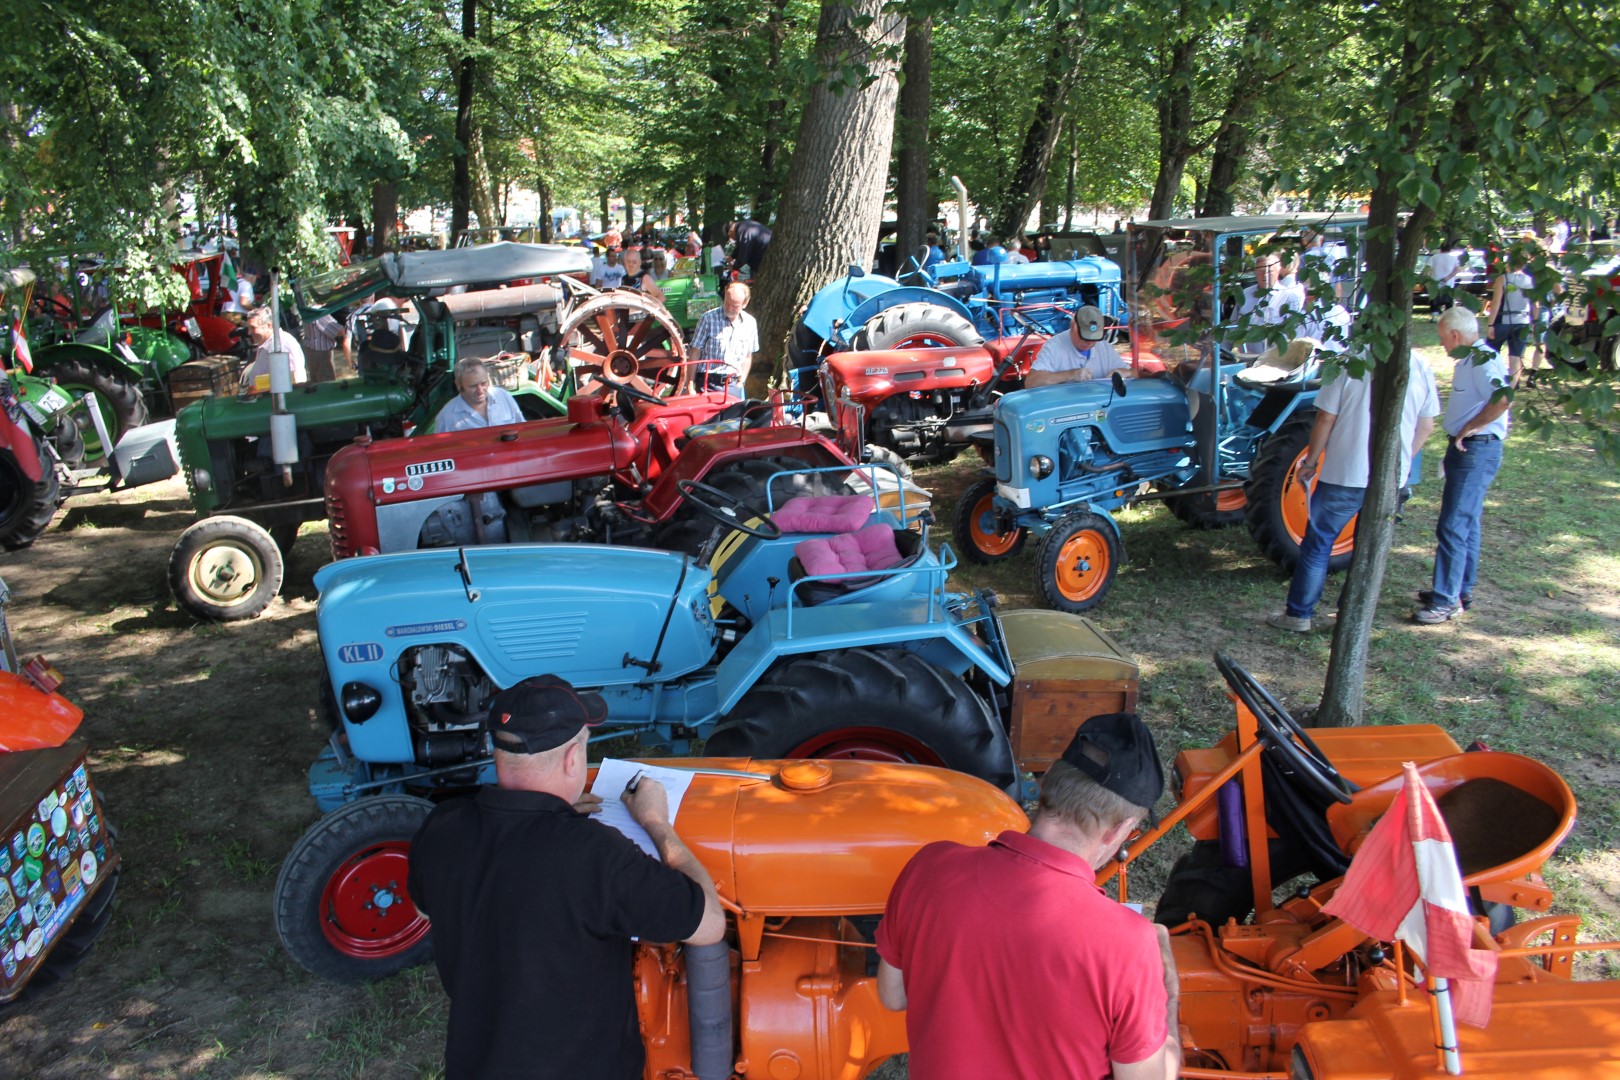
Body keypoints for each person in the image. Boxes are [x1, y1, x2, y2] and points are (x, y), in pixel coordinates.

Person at [409, 675, 725, 1080]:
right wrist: (656, 823)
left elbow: (425, 908)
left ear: (497, 751)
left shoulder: (441, 827)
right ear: (573, 759)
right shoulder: (596, 854)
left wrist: (544, 816)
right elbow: (710, 925)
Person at [875, 714, 1180, 1080]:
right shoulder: (1131, 945)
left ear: (1048, 786)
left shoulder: (929, 867)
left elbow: (893, 996)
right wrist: (1170, 1004)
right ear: (1119, 830)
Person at [1266, 348, 1440, 632]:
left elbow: (1324, 418)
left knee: (1318, 545)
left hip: (1344, 474)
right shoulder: (1419, 364)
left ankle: (1298, 614)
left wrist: (1309, 462)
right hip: (1388, 478)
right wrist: (1402, 462)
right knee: (1368, 549)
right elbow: (1427, 424)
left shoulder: (1348, 362)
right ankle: (1351, 618)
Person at [1413, 306, 1511, 624]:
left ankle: (1446, 600)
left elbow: (1502, 399)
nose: (1442, 345)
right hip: (1465, 448)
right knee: (1467, 524)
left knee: (1453, 525)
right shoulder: (1469, 360)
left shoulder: (1483, 361)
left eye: (1442, 339)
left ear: (1456, 335)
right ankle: (1459, 590)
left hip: (1476, 450)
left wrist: (1470, 428)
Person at [1025, 305, 1132, 387]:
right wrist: (1071, 374)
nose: (1089, 343)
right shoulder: (1053, 347)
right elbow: (1031, 382)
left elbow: (1137, 373)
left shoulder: (1104, 347)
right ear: (1072, 326)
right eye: (1085, 337)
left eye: (1094, 338)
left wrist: (1125, 372)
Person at [688, 282, 759, 395]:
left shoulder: (750, 323)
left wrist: (741, 382)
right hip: (708, 382)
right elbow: (695, 352)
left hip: (733, 384)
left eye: (735, 306)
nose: (729, 308)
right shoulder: (708, 318)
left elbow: (748, 356)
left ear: (745, 304)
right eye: (727, 303)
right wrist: (690, 385)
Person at [1235, 252, 1306, 356]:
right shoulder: (1245, 294)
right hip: (1247, 357)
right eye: (1261, 271)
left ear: (1278, 271)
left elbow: (1295, 334)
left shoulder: (1288, 296)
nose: (1265, 275)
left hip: (1275, 359)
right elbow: (1233, 326)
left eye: (1270, 271)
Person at [434, 358, 526, 432]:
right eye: (473, 386)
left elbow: (523, 429)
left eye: (483, 383)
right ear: (459, 385)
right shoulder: (447, 417)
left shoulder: (503, 396)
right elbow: (441, 452)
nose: (480, 390)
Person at [1487, 248, 1536, 383]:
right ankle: (1511, 390)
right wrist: (1534, 322)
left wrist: (1490, 324)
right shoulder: (1530, 281)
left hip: (1503, 320)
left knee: (1490, 354)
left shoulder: (1503, 279)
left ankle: (1493, 383)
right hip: (1523, 321)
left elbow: (1496, 303)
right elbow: (1535, 304)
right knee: (1516, 357)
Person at [238, 306, 308, 391]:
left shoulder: (281, 346)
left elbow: (292, 381)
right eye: (248, 328)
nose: (249, 332)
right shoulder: (267, 344)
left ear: (269, 325)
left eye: (253, 328)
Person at [301, 312, 353, 381]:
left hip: (312, 350)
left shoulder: (308, 311)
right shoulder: (319, 313)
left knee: (315, 381)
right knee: (327, 382)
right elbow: (339, 331)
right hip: (321, 352)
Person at [1426, 243, 1463, 317]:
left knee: (1435, 301)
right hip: (1449, 284)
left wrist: (1429, 279)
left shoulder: (1434, 257)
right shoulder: (1454, 258)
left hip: (1435, 283)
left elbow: (1427, 269)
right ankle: (1448, 316)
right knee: (1448, 301)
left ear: (1441, 249)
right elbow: (1457, 269)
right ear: (1450, 249)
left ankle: (1434, 316)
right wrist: (1449, 277)